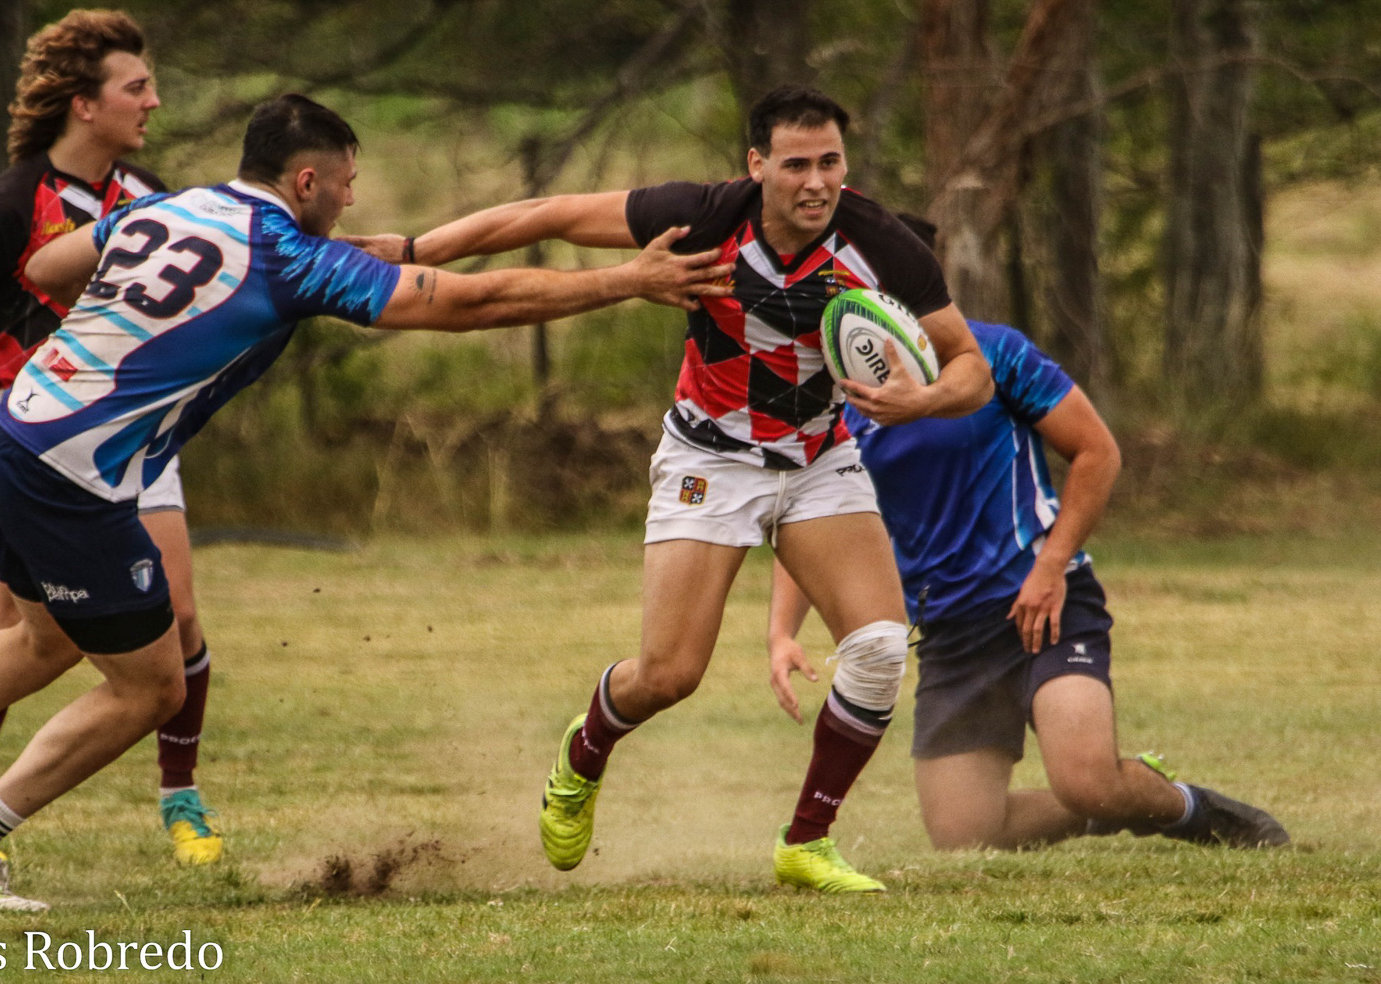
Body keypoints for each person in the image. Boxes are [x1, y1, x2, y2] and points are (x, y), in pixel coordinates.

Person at [0, 93, 733, 911]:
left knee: (39, 642)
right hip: (74, 473)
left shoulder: (169, 206)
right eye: (347, 183)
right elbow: (464, 305)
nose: (353, 200)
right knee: (152, 686)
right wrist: (624, 280)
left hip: (17, 427)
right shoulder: (285, 255)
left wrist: (133, 319)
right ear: (307, 179)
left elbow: (45, 273)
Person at [346, 85, 994, 892]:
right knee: (669, 675)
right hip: (710, 458)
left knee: (879, 651)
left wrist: (922, 399)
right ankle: (583, 757)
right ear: (758, 165)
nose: (816, 182)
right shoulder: (705, 215)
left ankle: (806, 844)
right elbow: (546, 214)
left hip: (819, 458)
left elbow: (972, 369)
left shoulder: (883, 244)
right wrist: (415, 247)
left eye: (831, 162)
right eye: (796, 164)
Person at [0, 10, 223, 866]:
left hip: (132, 434)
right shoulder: (3, 206)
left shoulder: (150, 197)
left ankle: (182, 799)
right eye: (137, 87)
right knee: (18, 638)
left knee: (176, 612)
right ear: (83, 104)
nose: (154, 100)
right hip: (27, 436)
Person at [766, 302, 1290, 850]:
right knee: (963, 833)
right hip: (950, 630)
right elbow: (815, 517)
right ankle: (1103, 806)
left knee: (1087, 780)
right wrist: (782, 631)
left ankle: (1191, 809)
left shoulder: (992, 354)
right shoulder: (836, 401)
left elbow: (1097, 452)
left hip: (1043, 601)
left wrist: (1050, 566)